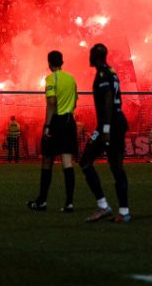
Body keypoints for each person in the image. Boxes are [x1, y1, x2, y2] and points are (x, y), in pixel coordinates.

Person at [80, 43, 131, 223]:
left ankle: (103, 206)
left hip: (109, 124)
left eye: (91, 54)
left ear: (96, 56)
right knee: (116, 167)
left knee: (85, 161)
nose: (89, 57)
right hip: (118, 120)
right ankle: (124, 212)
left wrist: (106, 129)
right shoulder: (112, 71)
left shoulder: (102, 73)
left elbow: (108, 99)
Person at [28, 50, 78, 213]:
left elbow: (51, 102)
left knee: (47, 159)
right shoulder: (71, 79)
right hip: (70, 121)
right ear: (62, 62)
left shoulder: (51, 78)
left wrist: (47, 125)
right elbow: (75, 101)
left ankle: (42, 201)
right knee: (67, 162)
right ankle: (69, 203)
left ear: (49, 63)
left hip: (56, 121)